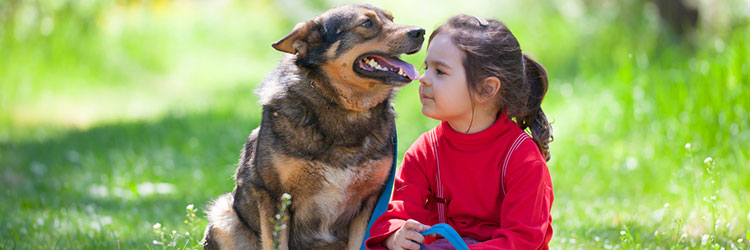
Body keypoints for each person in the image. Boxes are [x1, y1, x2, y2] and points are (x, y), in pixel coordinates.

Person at [365, 14, 555, 250]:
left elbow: (522, 239)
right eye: (427, 67)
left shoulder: (522, 159)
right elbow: (399, 212)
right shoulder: (425, 151)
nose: (423, 79)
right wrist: (396, 236)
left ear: (487, 89)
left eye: (440, 72)